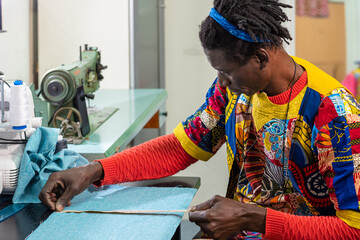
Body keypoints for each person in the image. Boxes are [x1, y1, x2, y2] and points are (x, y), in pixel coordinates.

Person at [39, 0, 360, 239]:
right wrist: (95, 170)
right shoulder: (234, 91)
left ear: (261, 58)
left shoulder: (335, 114)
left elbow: (353, 230)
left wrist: (255, 218)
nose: (221, 81)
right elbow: (181, 147)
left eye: (227, 71)